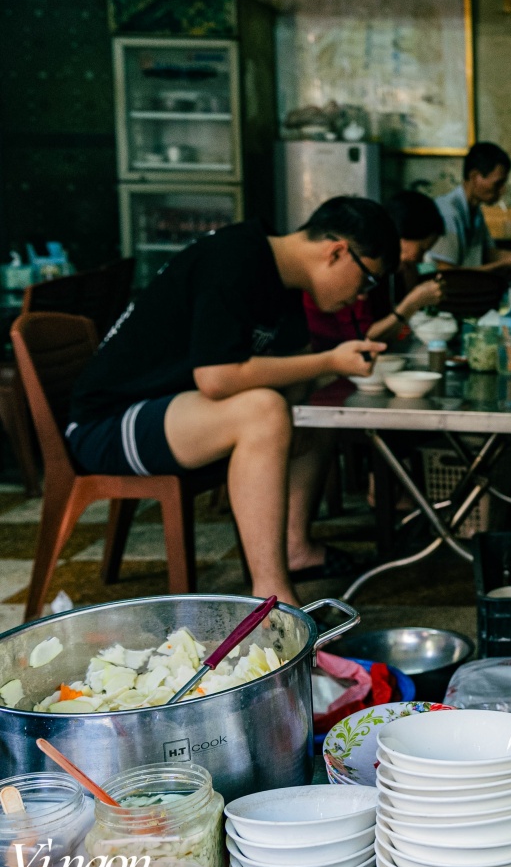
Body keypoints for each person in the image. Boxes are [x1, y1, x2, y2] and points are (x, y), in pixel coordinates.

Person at [66, 197, 396, 604]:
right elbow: (218, 378)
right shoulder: (235, 257)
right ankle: (273, 599)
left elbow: (291, 381)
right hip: (109, 424)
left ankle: (296, 548)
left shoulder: (284, 281)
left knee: (312, 416)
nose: (363, 297)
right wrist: (326, 360)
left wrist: (326, 368)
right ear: (337, 252)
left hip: (174, 411)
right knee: (263, 412)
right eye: (367, 281)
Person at [305, 190, 445, 351]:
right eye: (421, 250)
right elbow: (363, 337)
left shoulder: (391, 273)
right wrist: (412, 303)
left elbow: (399, 331)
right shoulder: (361, 271)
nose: (420, 260)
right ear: (398, 237)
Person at [428, 142, 511, 271]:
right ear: (475, 177)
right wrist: (503, 265)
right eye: (498, 183)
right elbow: (446, 273)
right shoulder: (449, 213)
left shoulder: (475, 212)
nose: (502, 190)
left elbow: (490, 254)